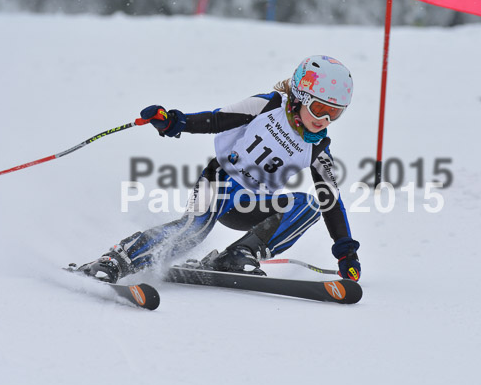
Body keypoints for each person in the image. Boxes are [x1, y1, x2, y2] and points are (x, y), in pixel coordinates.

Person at [76, 55, 361, 283]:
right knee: (194, 230)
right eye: (319, 108)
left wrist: (346, 252)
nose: (324, 119)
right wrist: (174, 122)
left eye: (334, 113)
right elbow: (216, 120)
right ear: (299, 96)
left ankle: (240, 253)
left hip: (252, 204)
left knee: (310, 204)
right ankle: (117, 260)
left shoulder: (318, 149)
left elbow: (331, 201)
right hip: (221, 181)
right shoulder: (267, 105)